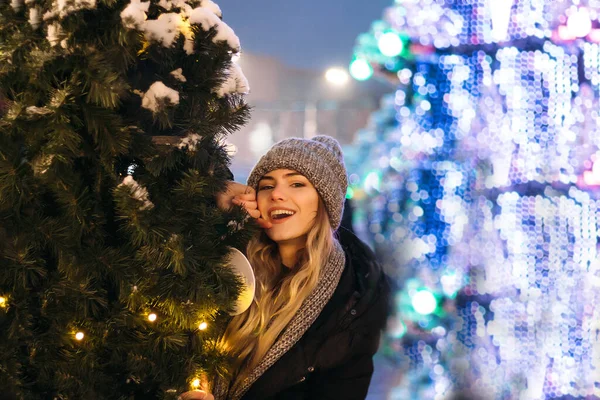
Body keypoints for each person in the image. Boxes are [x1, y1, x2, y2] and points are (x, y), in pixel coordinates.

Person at [181, 135, 390, 400]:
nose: (277, 194)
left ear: (324, 202)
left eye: (297, 183)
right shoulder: (228, 263)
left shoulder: (352, 306)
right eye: (266, 186)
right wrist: (214, 202)